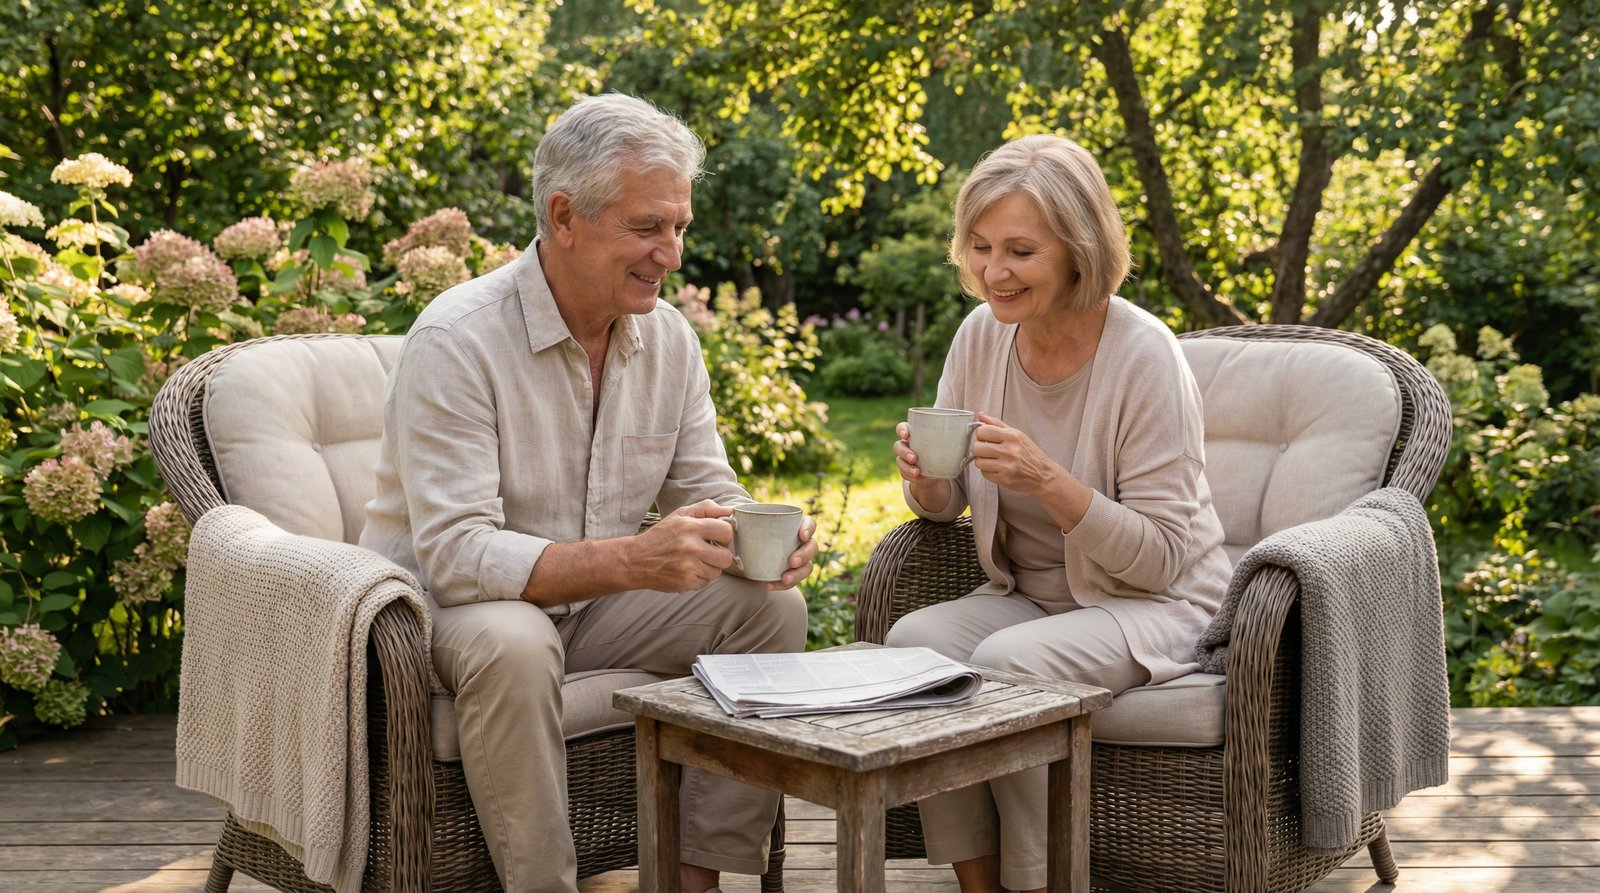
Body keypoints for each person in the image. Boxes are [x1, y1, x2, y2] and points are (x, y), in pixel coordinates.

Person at [360, 93, 816, 893]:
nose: (670, 253)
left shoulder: (669, 339)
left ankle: (693, 875)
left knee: (771, 609)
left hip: (591, 609)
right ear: (564, 216)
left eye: (678, 226)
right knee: (516, 639)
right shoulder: (457, 339)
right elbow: (458, 554)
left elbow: (709, 487)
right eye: (647, 228)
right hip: (442, 617)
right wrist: (634, 559)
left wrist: (763, 535)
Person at [886, 133, 1232, 893]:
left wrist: (1052, 482)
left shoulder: (1145, 356)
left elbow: (1163, 556)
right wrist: (927, 479)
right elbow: (941, 511)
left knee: (1012, 666)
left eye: (1019, 251)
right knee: (915, 650)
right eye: (979, 247)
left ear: (1078, 251)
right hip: (1033, 597)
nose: (993, 272)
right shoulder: (981, 334)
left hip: (1157, 604)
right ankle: (979, 881)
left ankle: (1040, 882)